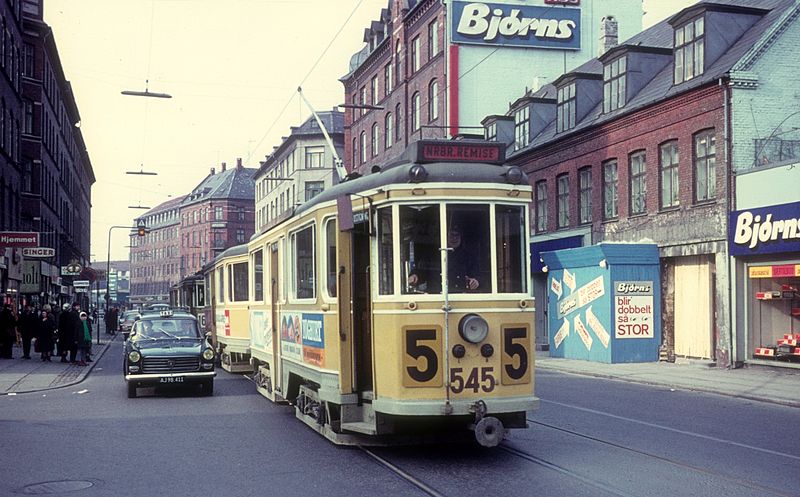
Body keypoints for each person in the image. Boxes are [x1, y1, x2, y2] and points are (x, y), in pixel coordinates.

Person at [407, 223, 480, 293]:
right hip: (436, 297)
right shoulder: (433, 254)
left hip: (459, 297)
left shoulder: (468, 257)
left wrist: (475, 281)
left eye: (457, 235)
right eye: (451, 235)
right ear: (445, 236)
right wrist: (415, 276)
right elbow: (422, 271)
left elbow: (476, 275)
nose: (454, 238)